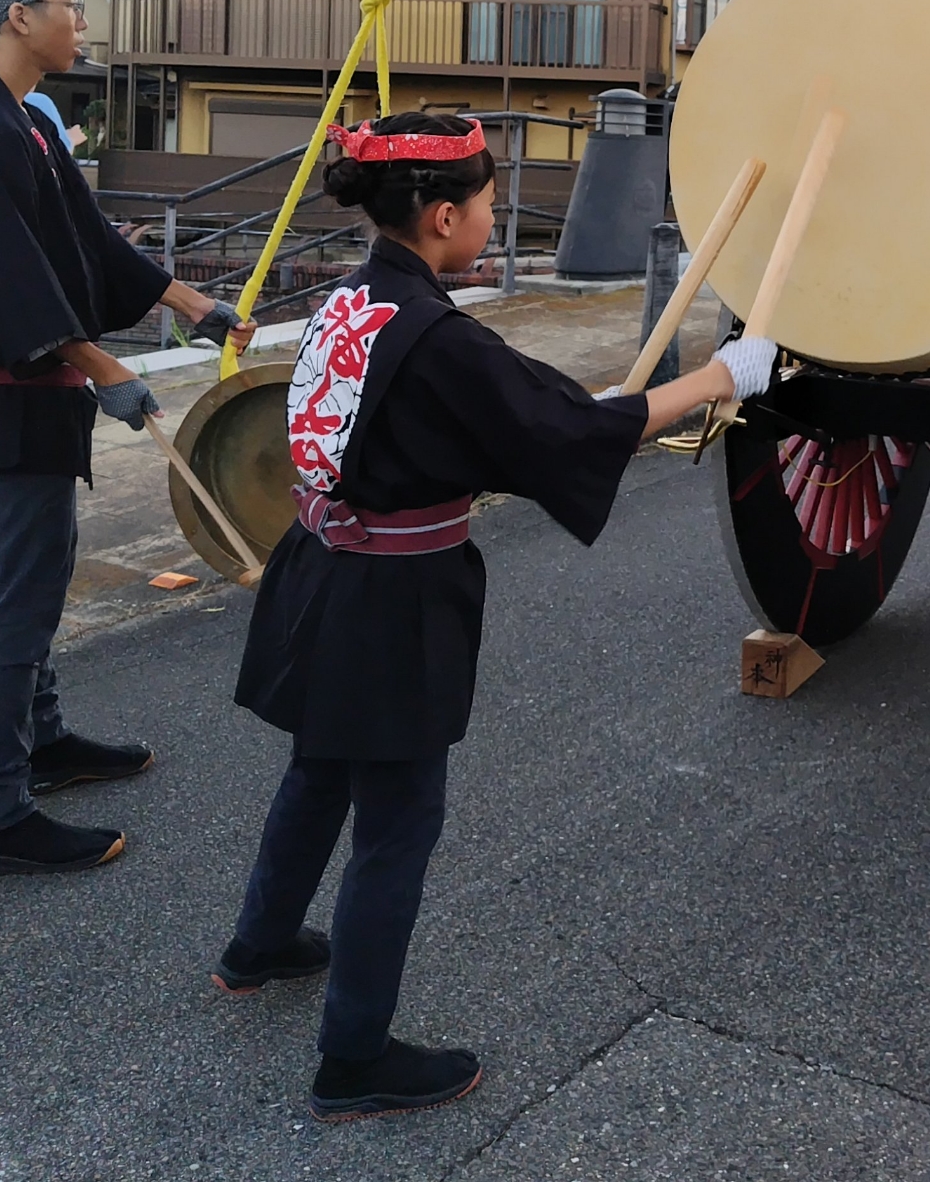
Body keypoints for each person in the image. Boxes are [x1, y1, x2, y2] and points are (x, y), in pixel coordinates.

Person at [222, 112, 776, 1123]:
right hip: (390, 599)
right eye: (485, 203)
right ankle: (353, 1058)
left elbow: (521, 419)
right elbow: (566, 429)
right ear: (442, 216)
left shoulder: (351, 300)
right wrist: (718, 377)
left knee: (319, 768)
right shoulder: (439, 339)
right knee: (397, 822)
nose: (491, 217)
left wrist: (572, 416)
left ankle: (258, 945)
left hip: (324, 570)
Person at [0, 0, 254, 879]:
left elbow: (85, 238)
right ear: (20, 17)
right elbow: (11, 279)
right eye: (70, 2)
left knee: (42, 575)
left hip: (41, 385)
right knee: (21, 599)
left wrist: (190, 302)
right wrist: (106, 368)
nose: (82, 19)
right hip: (12, 390)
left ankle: (45, 741)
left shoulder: (21, 118)